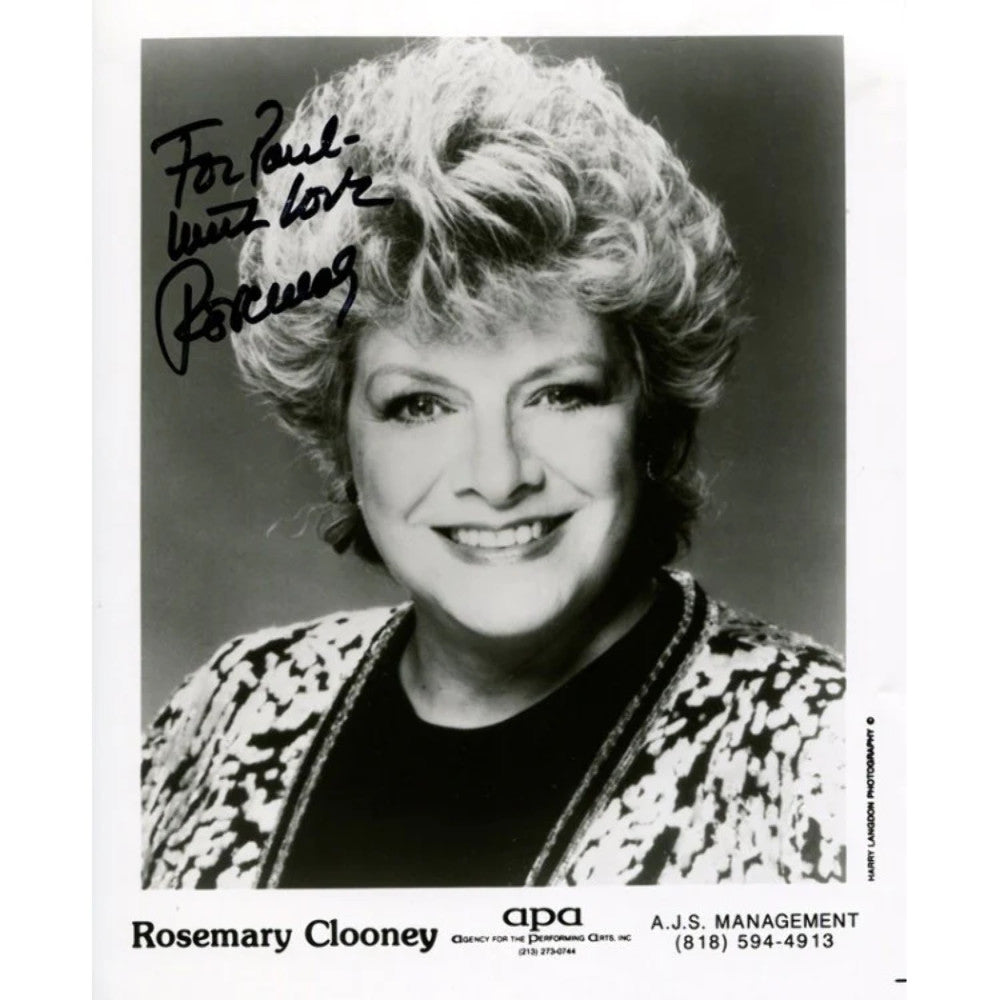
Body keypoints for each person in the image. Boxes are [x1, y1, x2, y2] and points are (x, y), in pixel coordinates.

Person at [141, 38, 845, 888]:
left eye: (560, 395)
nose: (498, 477)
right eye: (420, 405)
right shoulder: (229, 705)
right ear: (341, 436)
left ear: (650, 414)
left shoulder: (825, 752)